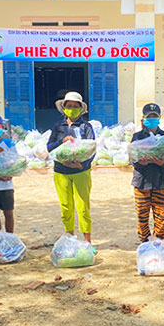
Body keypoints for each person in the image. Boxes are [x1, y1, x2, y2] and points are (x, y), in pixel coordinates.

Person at [47, 91, 96, 247]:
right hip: (61, 172)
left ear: (81, 109)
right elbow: (49, 147)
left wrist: (81, 164)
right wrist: (62, 140)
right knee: (66, 207)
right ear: (64, 108)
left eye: (75, 106)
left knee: (83, 207)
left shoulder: (85, 126)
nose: (72, 108)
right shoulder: (58, 126)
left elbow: (91, 149)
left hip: (81, 171)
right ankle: (70, 238)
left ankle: (87, 241)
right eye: (69, 106)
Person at [131, 103, 164, 244]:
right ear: (143, 118)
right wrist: (139, 163)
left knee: (161, 216)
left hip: (161, 181)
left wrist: (163, 163)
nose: (152, 119)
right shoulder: (136, 137)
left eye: (155, 116)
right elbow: (131, 158)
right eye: (149, 117)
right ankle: (144, 243)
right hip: (142, 182)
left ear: (160, 118)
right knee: (142, 216)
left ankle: (160, 243)